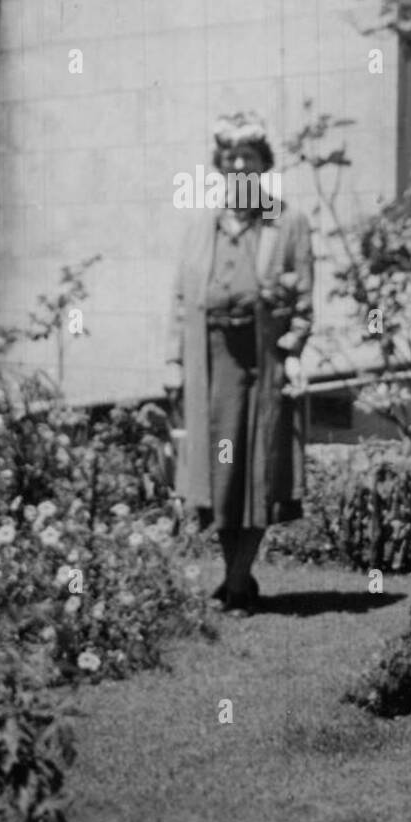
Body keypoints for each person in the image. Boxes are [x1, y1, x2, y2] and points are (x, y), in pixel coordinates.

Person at [165, 112, 314, 616]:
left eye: (247, 158)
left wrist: (292, 352)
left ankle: (234, 582)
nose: (237, 168)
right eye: (229, 160)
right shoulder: (200, 227)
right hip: (212, 364)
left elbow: (304, 301)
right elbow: (182, 297)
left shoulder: (286, 222)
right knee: (221, 474)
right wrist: (172, 360)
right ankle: (236, 579)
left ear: (264, 166)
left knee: (256, 473)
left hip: (261, 364)